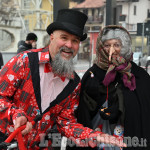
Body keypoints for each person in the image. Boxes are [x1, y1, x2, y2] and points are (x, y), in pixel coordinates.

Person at [0, 10, 126, 150]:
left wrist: (93, 135)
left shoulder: (73, 84)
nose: (69, 45)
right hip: (5, 142)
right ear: (52, 37)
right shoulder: (24, 61)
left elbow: (66, 123)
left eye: (75, 41)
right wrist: (16, 115)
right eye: (64, 38)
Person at [74, 25, 150, 150]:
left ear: (124, 47)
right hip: (99, 139)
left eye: (117, 45)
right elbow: (82, 113)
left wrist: (122, 105)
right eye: (107, 45)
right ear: (101, 47)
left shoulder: (138, 74)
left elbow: (145, 107)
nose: (112, 50)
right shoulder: (92, 74)